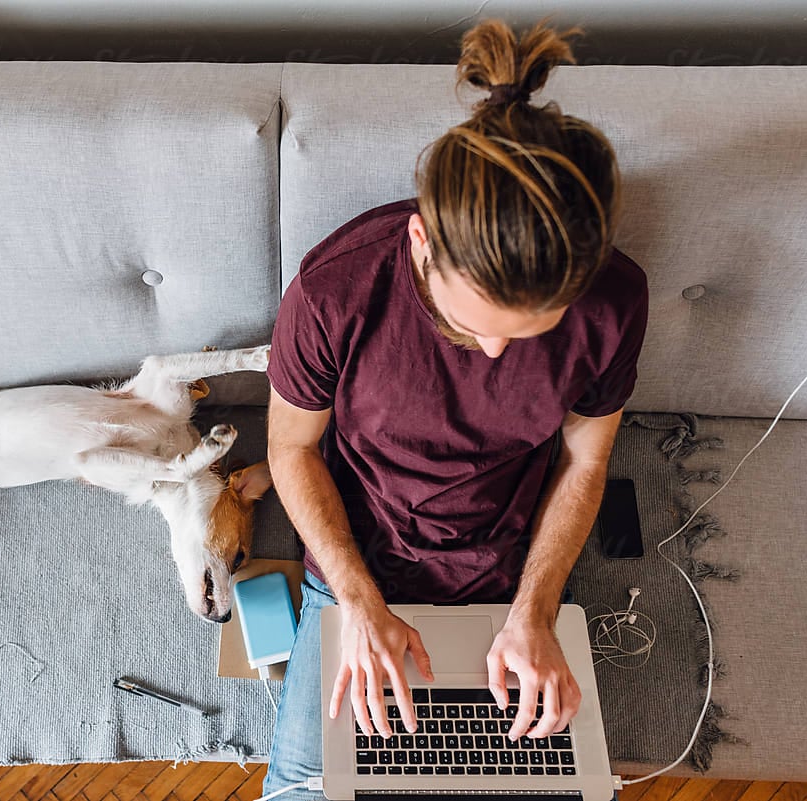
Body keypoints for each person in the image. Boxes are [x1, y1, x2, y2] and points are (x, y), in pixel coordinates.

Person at [260, 16, 649, 800]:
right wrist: (360, 605)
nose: (500, 357)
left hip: (515, 574)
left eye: (527, 332)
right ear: (420, 241)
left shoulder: (612, 301)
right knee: (306, 786)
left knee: (541, 783)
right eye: (474, 327)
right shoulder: (334, 290)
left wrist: (535, 611)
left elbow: (586, 458)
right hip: (360, 567)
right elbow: (290, 452)